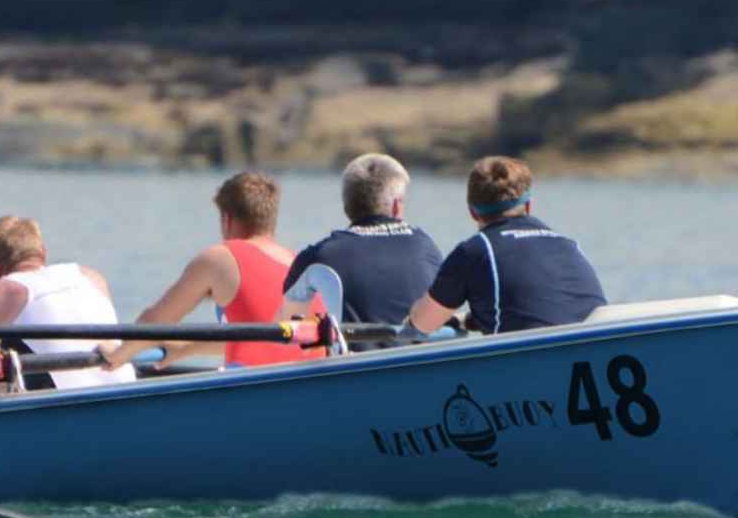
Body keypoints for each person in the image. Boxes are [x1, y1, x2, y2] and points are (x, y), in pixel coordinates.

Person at [101, 171, 323, 371]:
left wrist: (116, 354)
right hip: (308, 385)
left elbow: (156, 322)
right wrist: (189, 347)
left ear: (226, 219)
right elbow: (265, 338)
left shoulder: (219, 258)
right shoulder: (299, 263)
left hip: (255, 392)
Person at [406, 155, 605, 336]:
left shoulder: (475, 251)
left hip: (533, 361)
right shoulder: (570, 245)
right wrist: (473, 319)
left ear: (473, 213)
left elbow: (422, 324)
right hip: (595, 348)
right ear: (528, 206)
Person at [0, 215, 135, 390]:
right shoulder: (91, 276)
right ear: (43, 252)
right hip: (126, 389)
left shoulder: (4, 291)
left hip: (66, 403)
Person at [281, 153, 442, 324]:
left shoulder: (319, 256)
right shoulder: (426, 247)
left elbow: (288, 324)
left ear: (346, 205)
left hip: (357, 350)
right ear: (396, 206)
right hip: (421, 349)